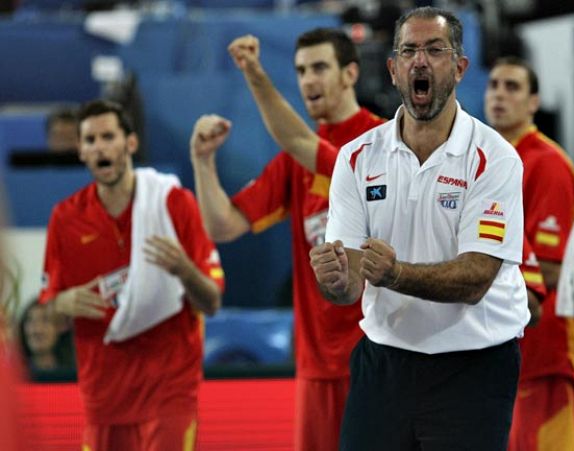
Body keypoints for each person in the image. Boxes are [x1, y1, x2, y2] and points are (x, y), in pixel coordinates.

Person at [309, 7, 529, 450]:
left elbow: (475, 279)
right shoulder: (355, 158)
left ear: (460, 67)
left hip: (474, 365)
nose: (420, 62)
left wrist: (395, 274)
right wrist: (334, 280)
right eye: (408, 51)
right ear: (393, 69)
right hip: (384, 363)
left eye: (435, 50)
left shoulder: (494, 158)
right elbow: (349, 287)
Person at [190, 28, 383, 451]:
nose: (308, 80)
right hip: (316, 363)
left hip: (377, 355)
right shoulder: (293, 165)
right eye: (300, 71)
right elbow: (223, 225)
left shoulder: (379, 144)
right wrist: (203, 162)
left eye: (319, 68)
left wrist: (254, 72)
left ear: (350, 73)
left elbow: (296, 138)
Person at [40, 100, 224, 451]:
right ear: (80, 151)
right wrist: (61, 302)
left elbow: (212, 302)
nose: (100, 147)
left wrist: (184, 269)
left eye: (108, 136)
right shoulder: (65, 219)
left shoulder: (172, 203)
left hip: (169, 392)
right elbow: (49, 316)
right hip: (103, 399)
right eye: (90, 140)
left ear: (131, 143)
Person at [483, 56, 574, 451]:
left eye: (512, 87)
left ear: (533, 103)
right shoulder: (487, 161)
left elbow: (551, 269)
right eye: (494, 85)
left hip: (549, 353)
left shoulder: (547, 164)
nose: (499, 95)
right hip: (506, 352)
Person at [18, 299, 74, 371]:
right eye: (30, 320)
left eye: (45, 320)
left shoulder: (76, 372)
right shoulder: (14, 374)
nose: (37, 330)